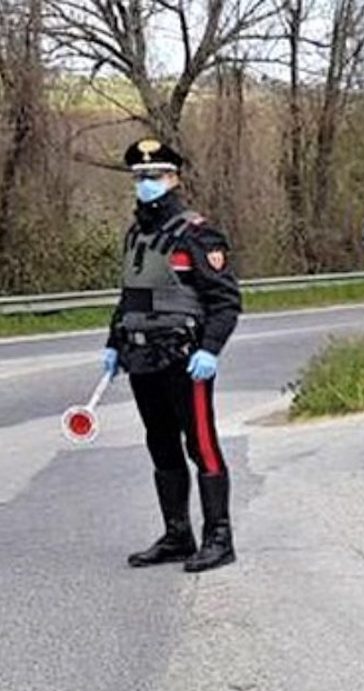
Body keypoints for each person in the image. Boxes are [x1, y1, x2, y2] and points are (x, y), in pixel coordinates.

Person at [102, 138, 241, 572]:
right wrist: (113, 344)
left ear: (174, 178)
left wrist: (210, 350)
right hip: (142, 358)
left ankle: (219, 538)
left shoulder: (198, 234)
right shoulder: (137, 235)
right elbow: (130, 298)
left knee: (202, 446)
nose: (146, 184)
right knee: (160, 445)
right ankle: (178, 534)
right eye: (140, 177)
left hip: (186, 360)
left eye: (155, 176)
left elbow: (225, 301)